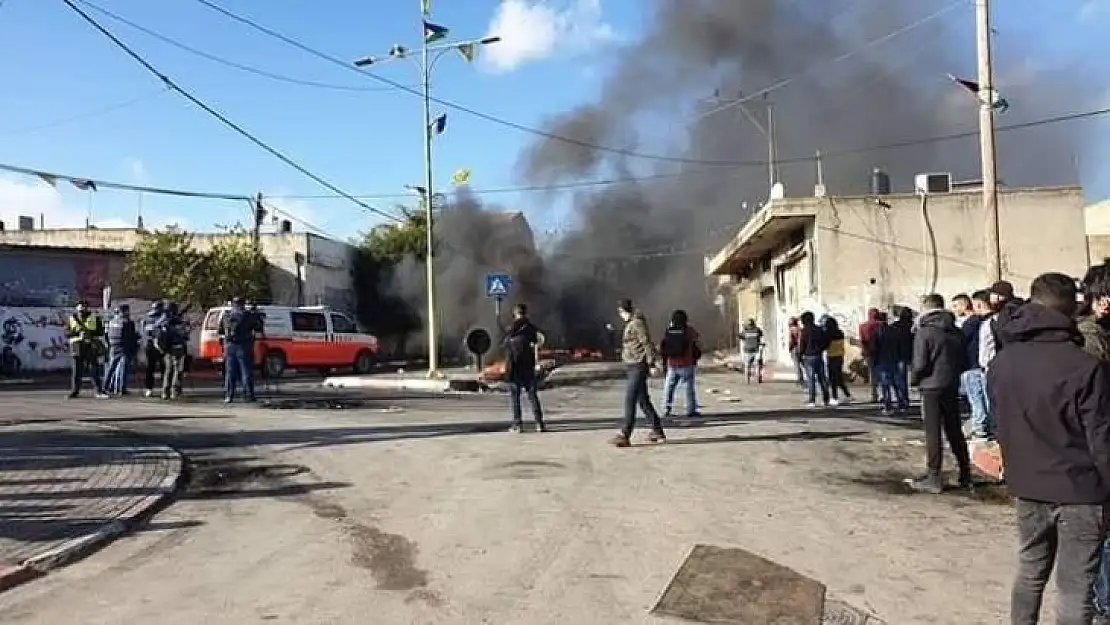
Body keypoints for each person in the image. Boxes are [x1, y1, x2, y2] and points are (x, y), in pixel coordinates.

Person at [992, 273, 1110, 625]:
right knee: (1075, 585)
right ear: (1072, 308)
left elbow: (1002, 424)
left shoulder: (1003, 362)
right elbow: (1101, 438)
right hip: (1081, 490)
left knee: (1030, 571)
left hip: (1027, 485)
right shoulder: (1086, 367)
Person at [907, 294, 971, 494]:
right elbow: (964, 360)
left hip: (930, 386)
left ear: (925, 309)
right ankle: (965, 473)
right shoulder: (956, 331)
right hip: (951, 384)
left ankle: (934, 476)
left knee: (933, 431)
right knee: (954, 429)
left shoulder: (924, 332)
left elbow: (919, 363)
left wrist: (914, 380)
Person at [609, 299, 665, 447]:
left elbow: (646, 343)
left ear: (624, 311)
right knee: (643, 400)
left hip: (638, 365)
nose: (620, 316)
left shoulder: (637, 323)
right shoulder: (632, 323)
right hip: (632, 364)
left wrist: (651, 363)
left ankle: (625, 434)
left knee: (630, 399)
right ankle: (657, 430)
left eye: (620, 312)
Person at [503, 303, 546, 433]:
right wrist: (537, 363)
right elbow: (538, 344)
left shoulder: (510, 329)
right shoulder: (531, 328)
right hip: (528, 365)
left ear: (515, 314)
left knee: (515, 397)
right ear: (526, 313)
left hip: (515, 366)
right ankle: (539, 423)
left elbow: (506, 347)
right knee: (532, 395)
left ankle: (518, 424)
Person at [961, 290, 994, 441]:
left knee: (977, 399)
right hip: (988, 366)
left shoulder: (972, 322)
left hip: (973, 365)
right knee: (988, 399)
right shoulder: (994, 320)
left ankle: (981, 428)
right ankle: (989, 426)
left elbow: (961, 341)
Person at [660, 309, 702, 417]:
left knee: (668, 387)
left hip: (672, 364)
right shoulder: (689, 330)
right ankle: (690, 410)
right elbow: (697, 341)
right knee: (688, 388)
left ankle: (666, 409)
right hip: (686, 363)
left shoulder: (669, 330)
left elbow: (664, 346)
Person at [65, 301, 107, 399]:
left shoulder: (95, 317)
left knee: (94, 369)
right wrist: (77, 333)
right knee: (76, 371)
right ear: (76, 308)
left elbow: (100, 332)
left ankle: (99, 391)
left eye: (84, 308)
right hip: (76, 345)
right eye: (80, 308)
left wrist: (89, 333)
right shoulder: (72, 318)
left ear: (87, 308)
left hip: (90, 345)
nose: (82, 310)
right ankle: (75, 391)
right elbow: (67, 332)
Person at [220, 297, 258, 403]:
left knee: (230, 372)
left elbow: (221, 330)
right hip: (243, 346)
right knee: (245, 371)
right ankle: (248, 395)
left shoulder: (226, 315)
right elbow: (257, 326)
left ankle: (229, 395)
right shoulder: (247, 315)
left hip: (230, 346)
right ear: (242, 304)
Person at [154, 301, 189, 400]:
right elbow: (181, 334)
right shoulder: (168, 320)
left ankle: (168, 391)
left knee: (171, 370)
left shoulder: (166, 320)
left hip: (173, 348)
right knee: (175, 370)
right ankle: (172, 391)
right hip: (173, 348)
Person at [103, 305, 139, 396]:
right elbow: (131, 337)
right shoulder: (127, 322)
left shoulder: (111, 322)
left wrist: (109, 344)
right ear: (125, 311)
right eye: (127, 311)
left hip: (113, 346)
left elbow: (106, 335)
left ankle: (105, 387)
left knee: (111, 368)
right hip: (124, 347)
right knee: (123, 369)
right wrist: (134, 348)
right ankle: (121, 389)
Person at [796, 312, 830, 408]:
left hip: (808, 357)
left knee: (811, 379)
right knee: (822, 378)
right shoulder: (819, 330)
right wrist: (821, 349)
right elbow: (826, 342)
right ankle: (826, 399)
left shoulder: (804, 331)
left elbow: (802, 345)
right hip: (818, 356)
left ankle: (812, 400)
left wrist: (799, 356)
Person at [890, 307, 915, 413]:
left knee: (899, 380)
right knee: (905, 380)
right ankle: (904, 400)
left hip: (897, 355)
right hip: (910, 354)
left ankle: (902, 400)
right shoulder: (913, 326)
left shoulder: (894, 326)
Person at [823, 316, 852, 405]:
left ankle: (835, 397)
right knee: (838, 377)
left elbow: (825, 345)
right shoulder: (840, 332)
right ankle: (847, 395)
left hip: (831, 356)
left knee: (833, 378)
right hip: (840, 356)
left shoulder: (827, 334)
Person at [858, 308, 883, 403]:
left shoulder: (863, 326)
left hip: (869, 353)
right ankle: (883, 394)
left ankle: (874, 395)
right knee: (882, 373)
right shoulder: (881, 325)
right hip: (881, 352)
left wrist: (864, 352)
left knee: (872, 374)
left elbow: (862, 341)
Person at [142, 300, 165, 397]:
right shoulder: (162, 317)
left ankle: (149, 389)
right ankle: (164, 389)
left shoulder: (147, 317)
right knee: (163, 368)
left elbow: (144, 330)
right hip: (159, 345)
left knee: (150, 368)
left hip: (149, 344)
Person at [739, 318, 764, 384]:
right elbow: (761, 335)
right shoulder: (758, 330)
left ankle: (747, 379)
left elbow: (740, 336)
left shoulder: (745, 331)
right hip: (756, 349)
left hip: (747, 350)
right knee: (758, 364)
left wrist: (743, 328)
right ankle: (758, 377)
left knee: (747, 365)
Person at [787, 316, 805, 388]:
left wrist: (789, 348)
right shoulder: (800, 329)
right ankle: (810, 377)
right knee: (804, 364)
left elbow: (791, 341)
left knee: (797, 365)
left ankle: (800, 380)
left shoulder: (792, 330)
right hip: (802, 348)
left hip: (795, 348)